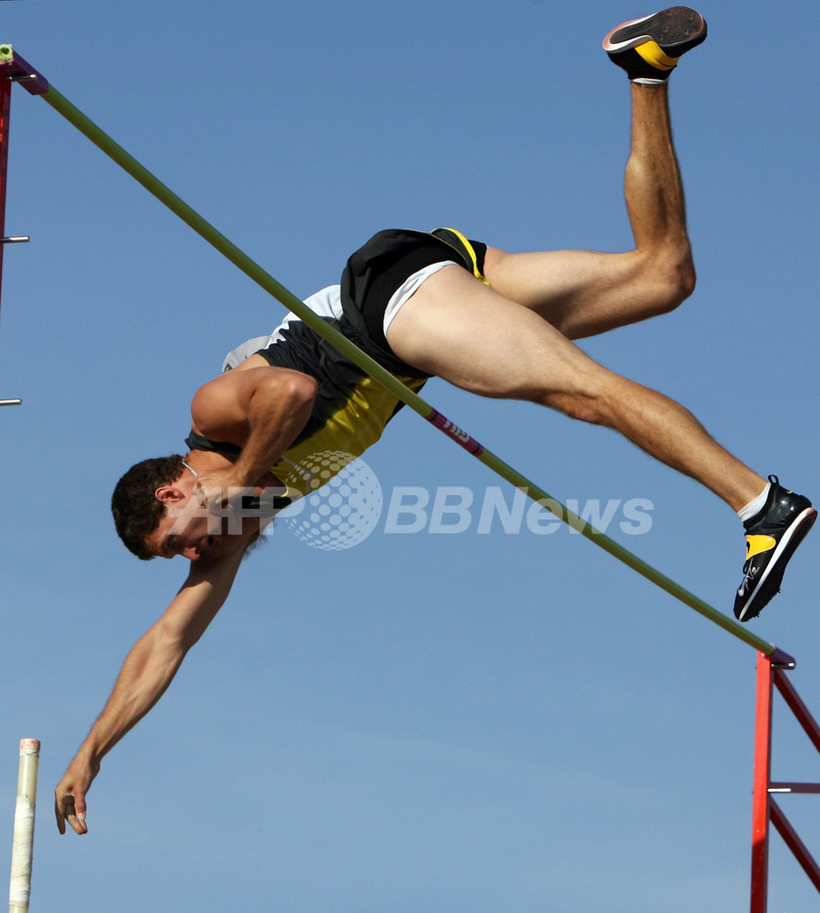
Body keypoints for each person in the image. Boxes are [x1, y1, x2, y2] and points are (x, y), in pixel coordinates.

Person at [54, 7, 815, 836]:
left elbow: (292, 398)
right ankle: (646, 70)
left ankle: (759, 505)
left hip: (388, 308)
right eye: (185, 556)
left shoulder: (214, 417)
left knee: (577, 391)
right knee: (662, 276)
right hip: (426, 297)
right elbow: (167, 641)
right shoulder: (238, 520)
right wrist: (95, 747)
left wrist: (239, 477)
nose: (197, 552)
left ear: (173, 488)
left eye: (180, 539)